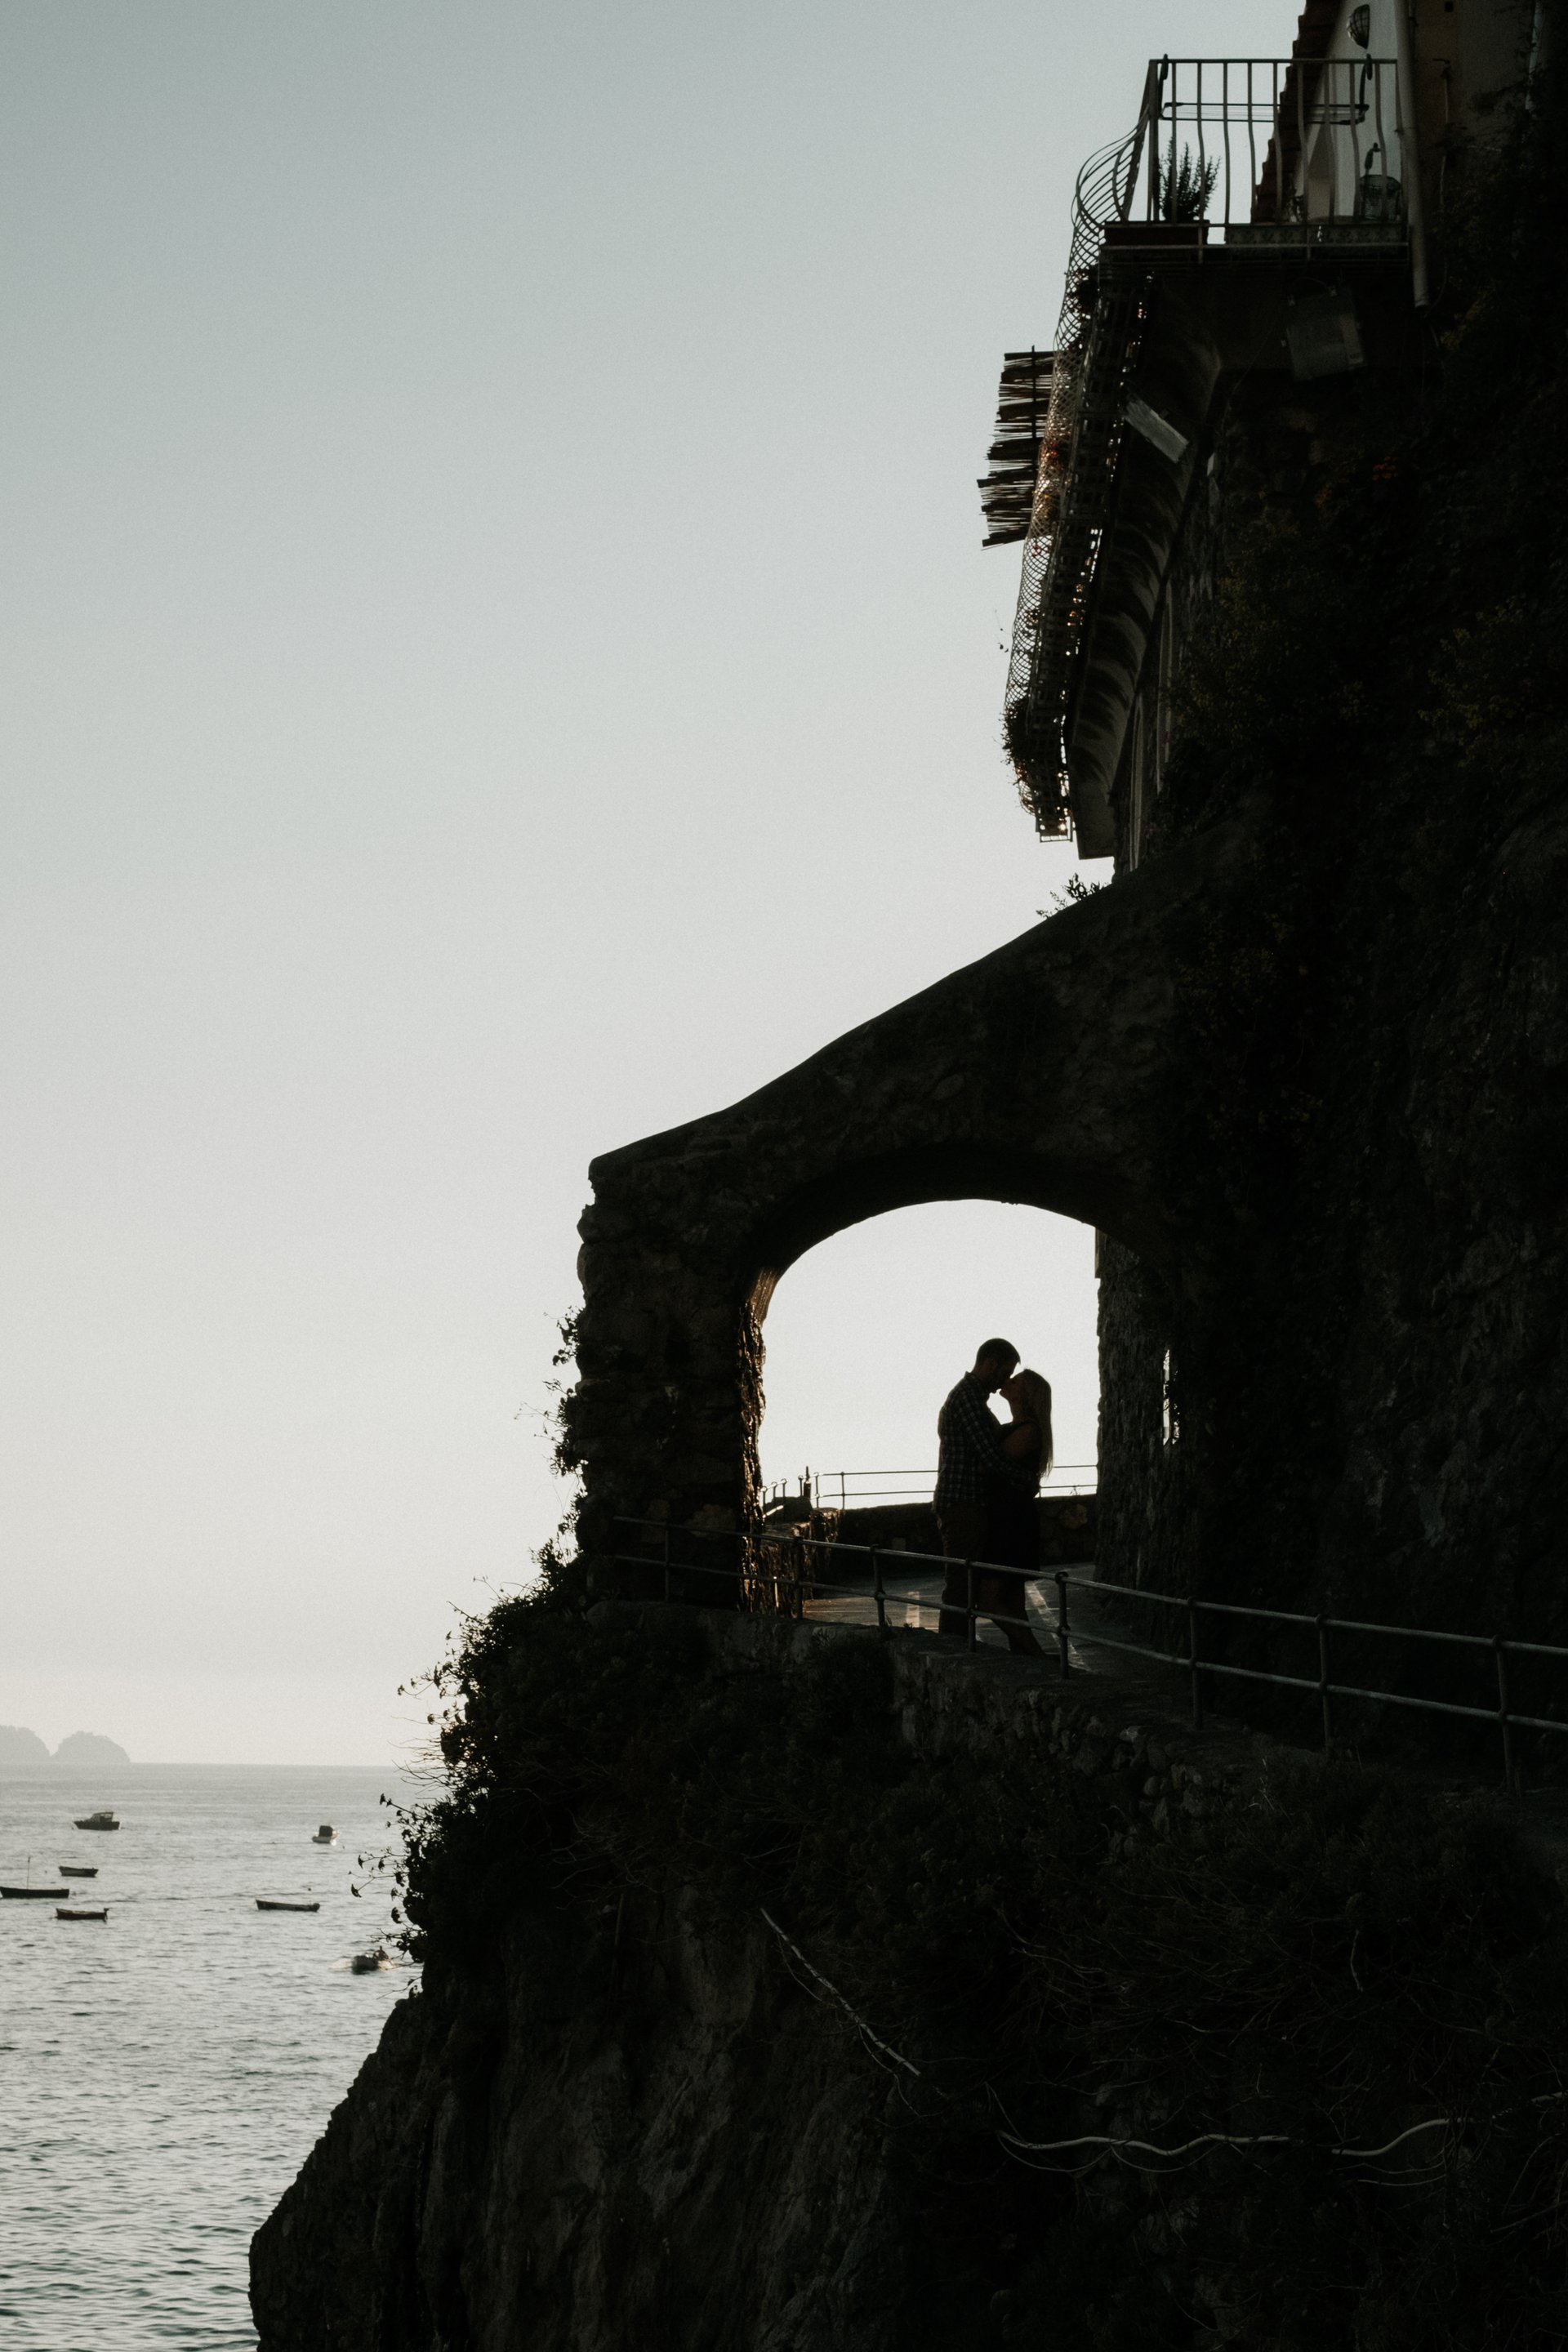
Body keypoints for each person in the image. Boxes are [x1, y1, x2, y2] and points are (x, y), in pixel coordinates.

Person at [933, 1339, 1018, 1638]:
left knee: (963, 1584)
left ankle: (956, 1646)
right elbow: (989, 1455)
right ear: (990, 1363)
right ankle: (953, 1648)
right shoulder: (968, 1399)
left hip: (962, 1502)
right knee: (961, 1586)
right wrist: (1024, 1478)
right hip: (963, 1504)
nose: (1004, 1382)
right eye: (1004, 1373)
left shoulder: (970, 1398)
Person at [979, 1370, 1054, 1655]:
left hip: (1009, 1519)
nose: (1007, 1381)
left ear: (1026, 1395)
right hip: (1008, 1516)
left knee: (989, 1600)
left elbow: (993, 1464)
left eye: (1015, 1381)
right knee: (1011, 1601)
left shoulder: (1028, 1431)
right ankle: (1028, 1660)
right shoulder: (1017, 1427)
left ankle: (1036, 1655)